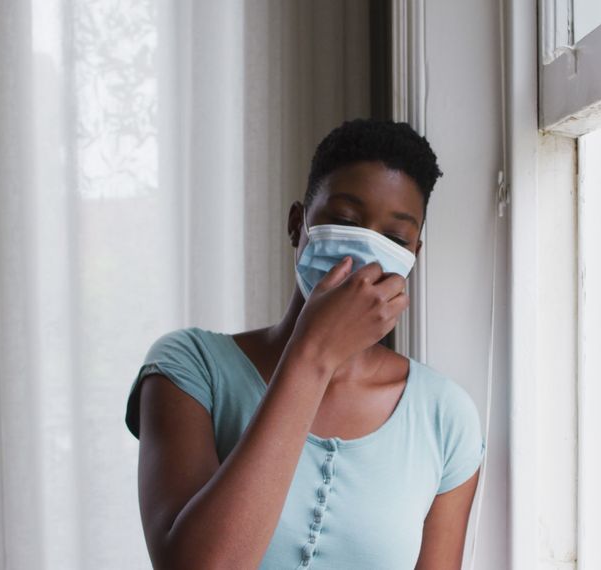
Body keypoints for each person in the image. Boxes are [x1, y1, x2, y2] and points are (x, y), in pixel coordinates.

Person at [124, 119, 486, 569]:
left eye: (394, 238)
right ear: (298, 224)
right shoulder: (189, 368)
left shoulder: (445, 418)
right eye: (345, 220)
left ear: (414, 255)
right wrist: (313, 355)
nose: (368, 249)